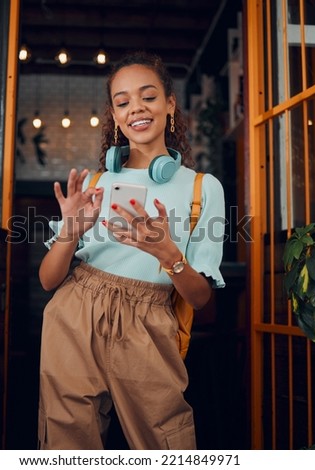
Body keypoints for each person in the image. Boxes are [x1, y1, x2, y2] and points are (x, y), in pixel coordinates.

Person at [37, 51, 225, 450]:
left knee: (164, 441)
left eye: (148, 96)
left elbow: (201, 298)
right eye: (122, 102)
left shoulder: (202, 188)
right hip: (74, 312)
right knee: (67, 441)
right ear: (115, 116)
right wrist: (70, 231)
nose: (136, 108)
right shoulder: (96, 180)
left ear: (170, 104)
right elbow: (49, 280)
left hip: (149, 321)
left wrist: (168, 255)